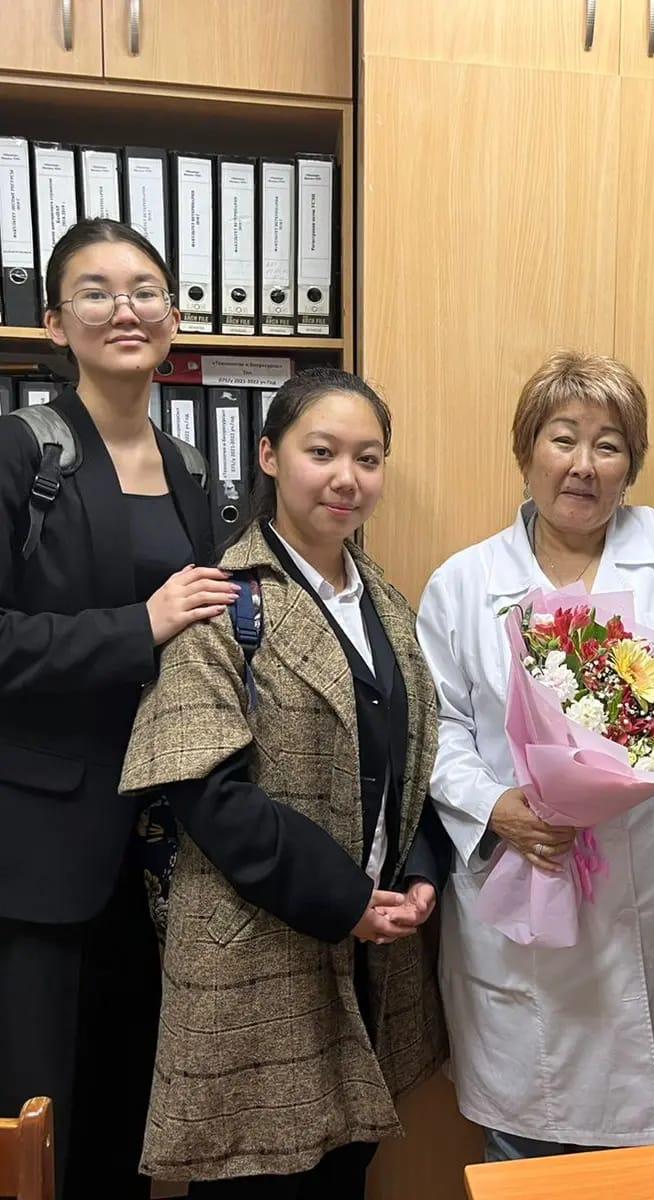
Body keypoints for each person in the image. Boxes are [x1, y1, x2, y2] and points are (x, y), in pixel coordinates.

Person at [119, 368, 449, 1196]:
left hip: (371, 955)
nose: (347, 478)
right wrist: (345, 899)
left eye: (368, 458)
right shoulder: (220, 601)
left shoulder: (387, 604)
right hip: (255, 959)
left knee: (345, 1171)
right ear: (268, 456)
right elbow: (208, 793)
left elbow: (415, 761)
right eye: (322, 452)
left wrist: (419, 871)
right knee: (257, 1176)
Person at [416, 350, 654, 1160]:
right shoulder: (464, 583)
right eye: (563, 438)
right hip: (527, 884)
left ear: (632, 466)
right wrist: (495, 807)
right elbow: (436, 728)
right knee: (525, 1148)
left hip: (649, 881)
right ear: (526, 451)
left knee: (643, 1161)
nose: (583, 465)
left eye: (608, 445)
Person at [0, 218, 226, 1198]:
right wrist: (139, 625)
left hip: (161, 844)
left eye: (145, 290)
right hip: (40, 851)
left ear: (172, 314)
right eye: (95, 291)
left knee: (129, 1117)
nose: (124, 308)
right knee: (37, 1124)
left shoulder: (190, 468)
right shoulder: (21, 453)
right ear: (55, 321)